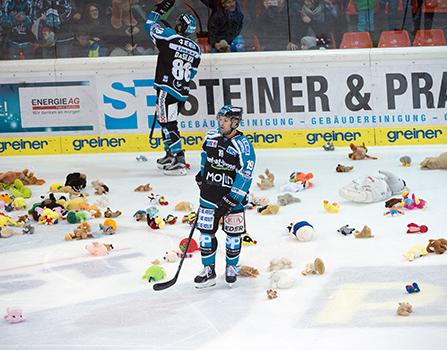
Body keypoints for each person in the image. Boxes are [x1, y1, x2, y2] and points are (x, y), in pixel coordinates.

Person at [194, 105, 256, 288]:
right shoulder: (211, 135)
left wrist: (232, 198)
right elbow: (205, 156)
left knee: (233, 235)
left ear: (235, 122)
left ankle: (231, 267)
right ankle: (208, 270)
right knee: (205, 234)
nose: (221, 123)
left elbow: (246, 174)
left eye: (226, 120)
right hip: (209, 194)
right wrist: (201, 175)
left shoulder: (243, 145)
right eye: (220, 119)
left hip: (231, 196)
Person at [144, 0, 201, 175]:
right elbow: (191, 74)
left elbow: (149, 24)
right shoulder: (197, 49)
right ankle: (170, 154)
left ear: (179, 25)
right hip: (182, 92)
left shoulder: (168, 36)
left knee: (168, 123)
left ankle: (179, 158)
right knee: (166, 122)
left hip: (166, 89)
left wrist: (161, 10)